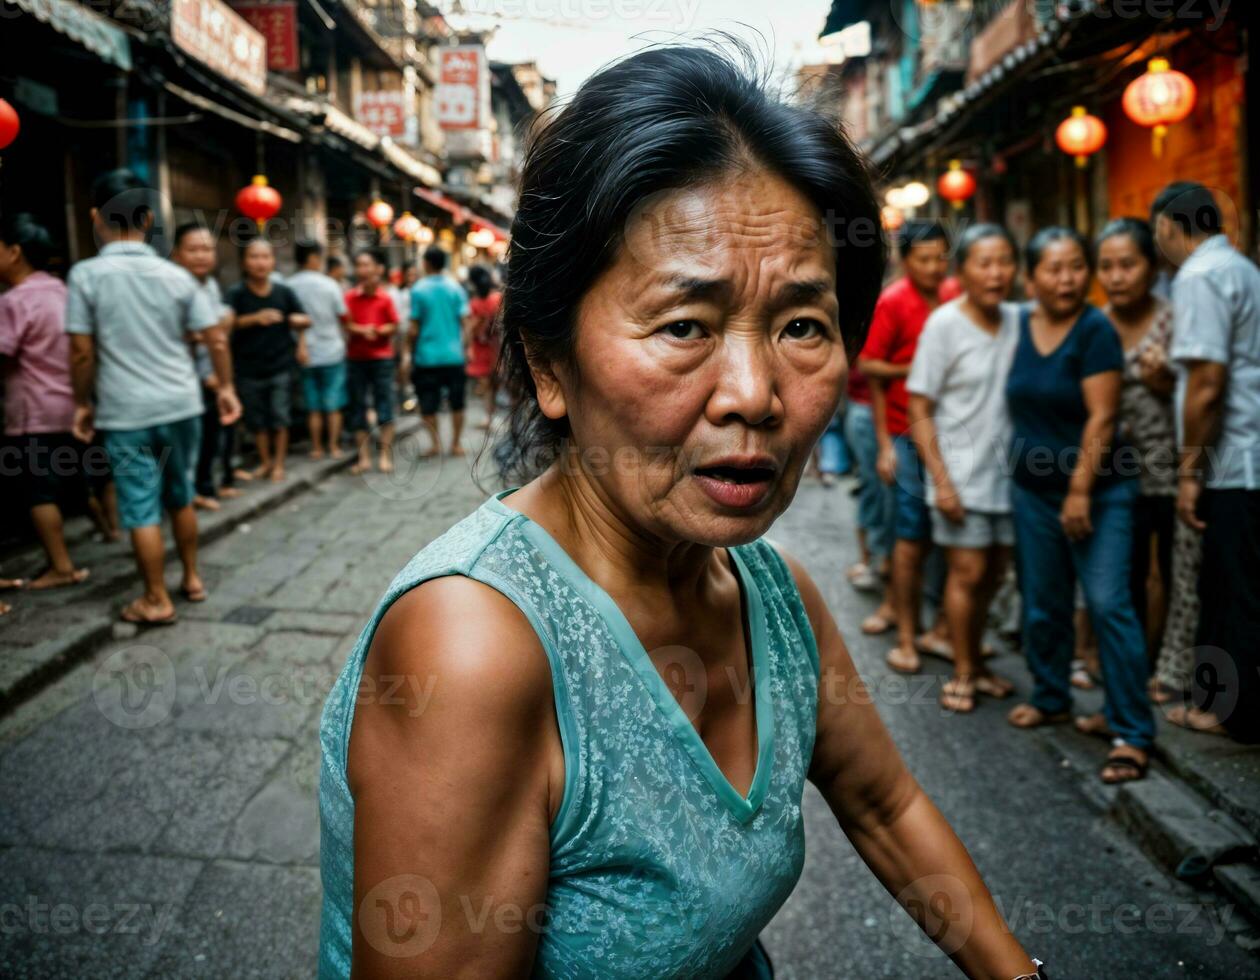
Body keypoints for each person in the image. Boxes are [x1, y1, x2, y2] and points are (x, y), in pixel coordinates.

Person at [318, 45, 1045, 980]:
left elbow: (886, 807)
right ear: (548, 363)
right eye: (683, 326)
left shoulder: (775, 601)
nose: (754, 394)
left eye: (801, 327)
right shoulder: (476, 648)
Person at [1004, 226, 1154, 783]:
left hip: (1101, 491)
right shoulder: (1018, 326)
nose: (1066, 279)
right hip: (1031, 491)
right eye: (1053, 268)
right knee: (1043, 602)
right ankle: (1051, 696)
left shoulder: (1095, 330)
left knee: (1109, 602)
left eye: (1074, 268)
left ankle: (1132, 732)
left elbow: (1103, 417)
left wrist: (1080, 490)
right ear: (1032, 277)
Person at [66, 169, 241, 624]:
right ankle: (192, 577)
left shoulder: (86, 275)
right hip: (181, 404)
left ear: (95, 218)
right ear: (147, 220)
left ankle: (156, 598)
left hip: (126, 411)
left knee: (140, 506)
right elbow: (216, 340)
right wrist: (224, 390)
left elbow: (82, 352)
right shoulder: (176, 276)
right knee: (180, 495)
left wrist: (82, 404)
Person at [1158, 182, 1260, 743]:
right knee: (1235, 582)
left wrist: (1190, 473)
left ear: (1169, 227)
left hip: (1233, 460)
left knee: (1230, 586)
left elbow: (1206, 383)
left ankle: (1228, 712)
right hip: (1248, 452)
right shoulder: (1241, 268)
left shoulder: (1199, 276)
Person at [906, 224, 1021, 713]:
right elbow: (919, 406)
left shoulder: (1022, 319)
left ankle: (979, 663)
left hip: (1011, 480)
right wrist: (942, 481)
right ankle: (965, 671)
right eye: (984, 262)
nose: (996, 273)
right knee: (967, 574)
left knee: (994, 575)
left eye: (1004, 262)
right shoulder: (945, 325)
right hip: (961, 475)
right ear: (963, 270)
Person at [1095, 217, 1199, 706]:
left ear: (1152, 266)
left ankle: (1168, 666)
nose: (1116, 277)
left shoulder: (1174, 319)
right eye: (1107, 267)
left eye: (1128, 265)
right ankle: (1124, 667)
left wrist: (1169, 381)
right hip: (1111, 473)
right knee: (1124, 574)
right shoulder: (1093, 326)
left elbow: (1204, 389)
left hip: (1170, 469)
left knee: (1171, 571)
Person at [857, 221, 957, 673]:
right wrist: (884, 444)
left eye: (941, 258)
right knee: (909, 534)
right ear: (905, 259)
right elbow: (870, 367)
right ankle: (901, 621)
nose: (935, 267)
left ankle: (939, 625)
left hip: (953, 434)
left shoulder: (956, 295)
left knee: (944, 536)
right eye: (925, 259)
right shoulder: (893, 302)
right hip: (903, 431)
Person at [0, 213, 91, 590]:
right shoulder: (63, 291)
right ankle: (100, 537)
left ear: (15, 253)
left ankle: (61, 565)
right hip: (69, 407)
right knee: (64, 482)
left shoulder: (14, 301)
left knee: (38, 491)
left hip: (32, 411)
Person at [225, 238, 310, 483]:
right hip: (248, 367)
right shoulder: (236, 294)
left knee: (280, 417)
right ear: (244, 262)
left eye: (265, 257)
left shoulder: (284, 292)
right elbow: (225, 326)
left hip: (280, 364)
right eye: (254, 257)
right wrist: (254, 319)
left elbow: (304, 319)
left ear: (273, 261)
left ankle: (279, 464)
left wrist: (300, 331)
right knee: (257, 420)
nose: (260, 262)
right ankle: (265, 462)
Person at [171, 222, 241, 512]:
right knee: (188, 444)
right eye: (193, 249)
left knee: (212, 436)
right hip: (184, 379)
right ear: (176, 253)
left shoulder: (209, 285)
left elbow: (219, 328)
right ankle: (189, 493)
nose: (202, 256)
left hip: (212, 374)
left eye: (207, 249)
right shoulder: (172, 284)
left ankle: (207, 486)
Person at [408, 245, 471, 457]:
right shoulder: (455, 288)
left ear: (426, 263)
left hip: (426, 357)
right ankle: (455, 444)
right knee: (457, 402)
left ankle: (435, 445)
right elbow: (466, 322)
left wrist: (408, 352)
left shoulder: (418, 289)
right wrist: (465, 346)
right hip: (454, 356)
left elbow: (413, 327)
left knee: (428, 404)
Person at [289, 240, 350, 460]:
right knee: (333, 404)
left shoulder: (289, 285)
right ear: (314, 258)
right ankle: (333, 446)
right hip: (332, 349)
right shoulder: (330, 285)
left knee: (313, 406)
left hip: (304, 352)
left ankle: (316, 447)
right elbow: (343, 316)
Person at [343, 248, 400, 474]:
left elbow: (394, 325)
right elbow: (346, 324)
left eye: (367, 265)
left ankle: (385, 455)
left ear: (378, 270)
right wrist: (360, 329)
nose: (363, 270)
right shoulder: (348, 297)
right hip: (356, 359)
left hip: (381, 359)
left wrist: (379, 330)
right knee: (358, 407)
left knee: (384, 405)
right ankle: (364, 457)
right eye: (359, 265)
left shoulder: (385, 297)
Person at [843, 362, 895, 601]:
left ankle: (878, 559)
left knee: (880, 489)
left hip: (885, 413)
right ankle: (870, 560)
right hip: (867, 409)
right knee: (873, 487)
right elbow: (865, 365)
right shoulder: (877, 325)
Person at [463, 263, 503, 428]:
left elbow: (469, 330)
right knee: (493, 383)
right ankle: (490, 415)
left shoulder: (474, 303)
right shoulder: (498, 299)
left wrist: (467, 346)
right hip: (497, 346)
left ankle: (489, 416)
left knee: (486, 384)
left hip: (482, 347)